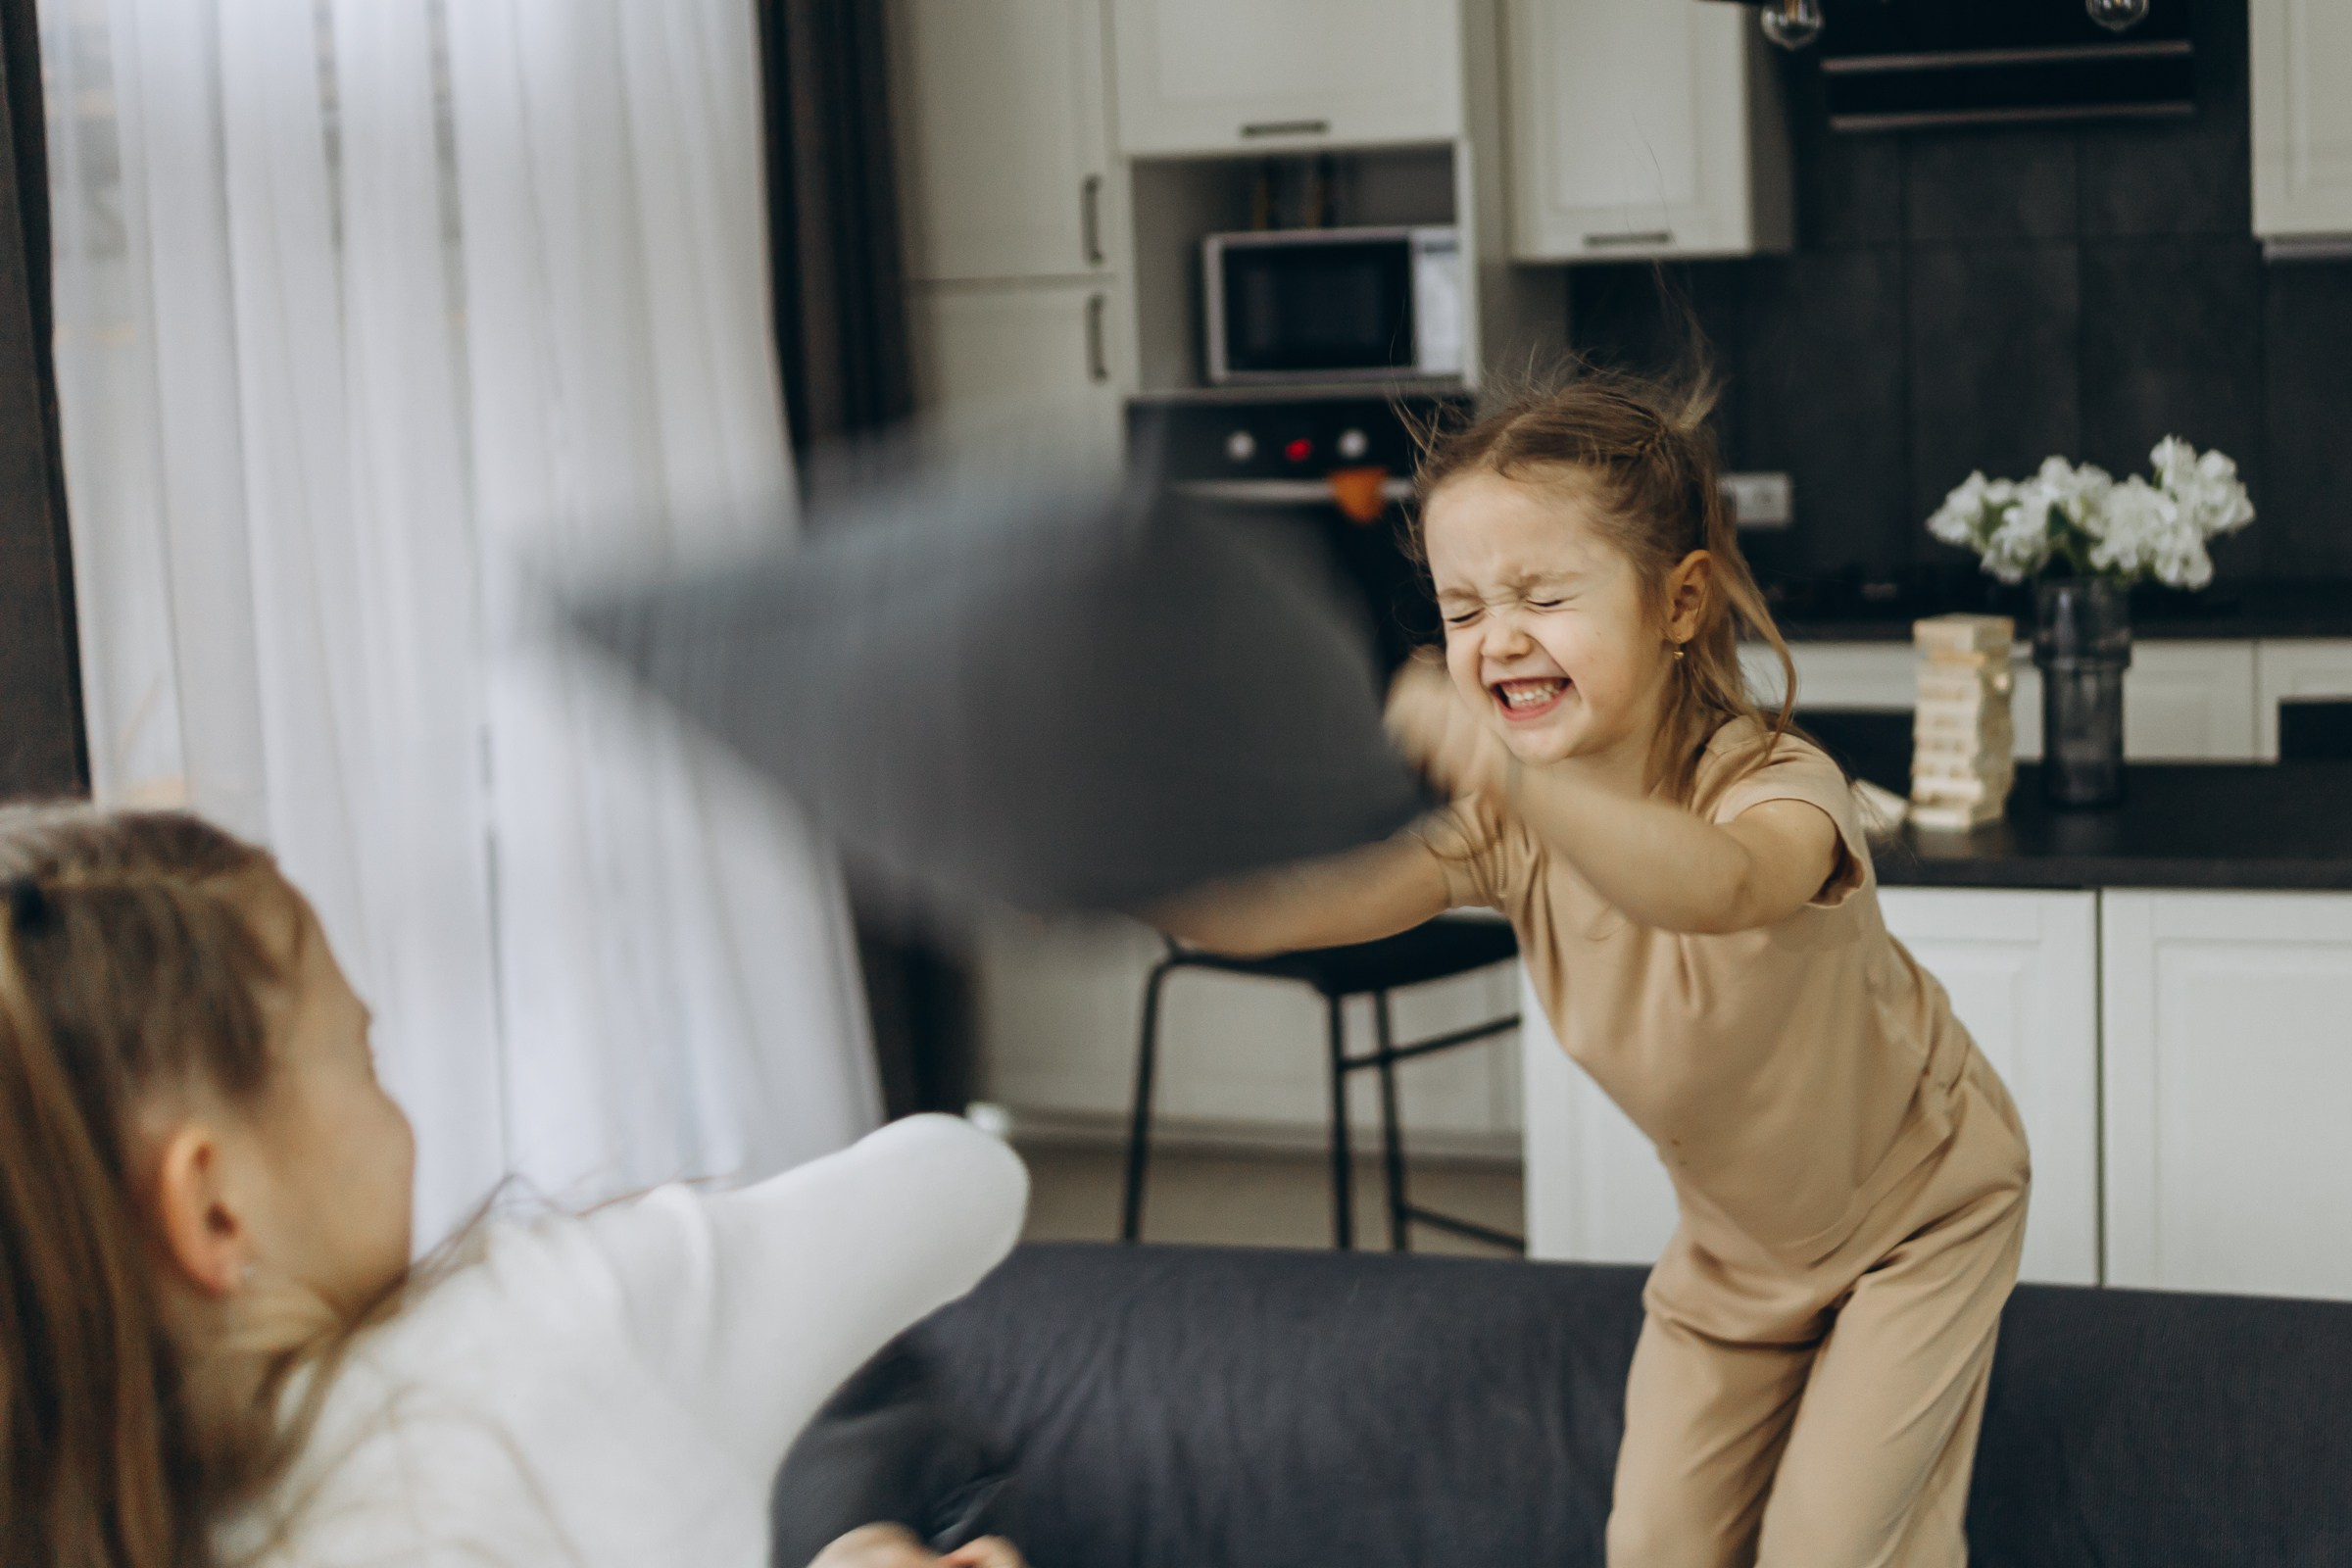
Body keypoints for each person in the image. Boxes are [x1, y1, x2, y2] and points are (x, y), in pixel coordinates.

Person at [1157, 366, 2032, 1568]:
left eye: (1542, 595)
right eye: (1463, 609)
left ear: (1680, 602)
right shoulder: (1502, 830)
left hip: (1918, 1218)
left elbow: (1717, 889)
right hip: (1737, 1258)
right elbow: (1295, 909)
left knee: (1826, 1550)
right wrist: (1108, 874)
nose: (1498, 638)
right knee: (1652, 1549)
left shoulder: (1774, 784)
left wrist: (1511, 778)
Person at [0, 805, 1028, 1568]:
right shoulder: (539, 1339)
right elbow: (962, 1185)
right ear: (215, 1209)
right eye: (363, 1058)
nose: (400, 1110)